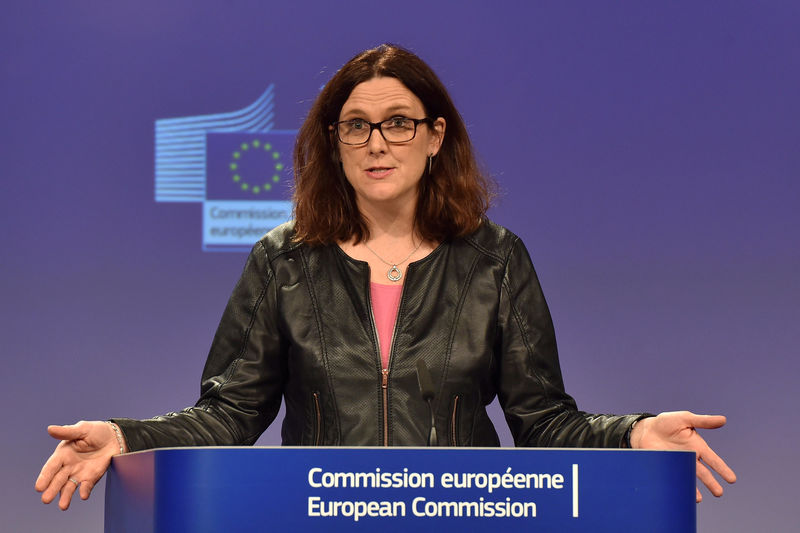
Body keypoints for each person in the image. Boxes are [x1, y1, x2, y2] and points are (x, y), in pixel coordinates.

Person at [35, 44, 736, 510]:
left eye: (398, 123)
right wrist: (126, 434)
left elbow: (542, 417)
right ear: (333, 144)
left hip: (464, 520)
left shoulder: (496, 258)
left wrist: (635, 433)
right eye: (355, 126)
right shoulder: (283, 261)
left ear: (436, 136)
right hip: (318, 519)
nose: (376, 143)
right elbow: (229, 411)